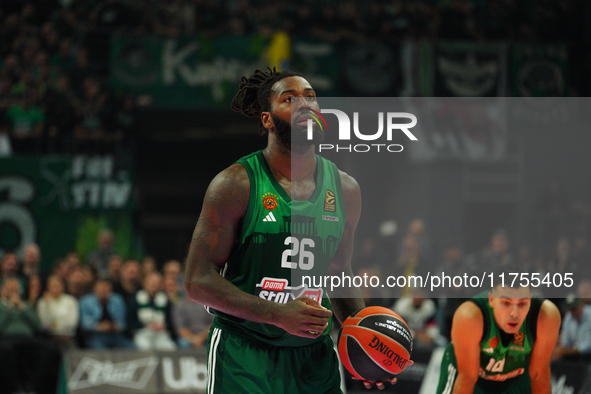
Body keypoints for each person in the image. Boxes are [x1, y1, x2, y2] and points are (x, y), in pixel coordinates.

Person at [184, 68, 398, 393]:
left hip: (313, 356)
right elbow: (197, 281)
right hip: (245, 352)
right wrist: (277, 314)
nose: (305, 104)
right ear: (267, 120)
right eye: (290, 98)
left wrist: (367, 345)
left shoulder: (346, 190)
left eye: (311, 97)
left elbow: (338, 273)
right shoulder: (234, 185)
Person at [436, 267, 561, 394]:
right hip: (471, 373)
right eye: (506, 303)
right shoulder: (471, 316)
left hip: (516, 375)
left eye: (522, 304)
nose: (514, 313)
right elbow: (467, 378)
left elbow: (538, 375)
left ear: (529, 300)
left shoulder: (545, 316)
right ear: (491, 300)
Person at [79, 278, 134, 349]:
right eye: (101, 287)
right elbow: (84, 324)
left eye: (106, 287)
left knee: (132, 348)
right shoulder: (85, 302)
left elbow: (123, 322)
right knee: (101, 351)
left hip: (115, 335)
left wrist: (114, 326)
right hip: (95, 335)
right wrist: (99, 327)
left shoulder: (117, 300)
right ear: (95, 289)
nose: (104, 290)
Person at [37, 274, 79, 351]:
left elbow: (73, 323)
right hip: (49, 336)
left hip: (67, 335)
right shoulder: (43, 302)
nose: (55, 288)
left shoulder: (71, 301)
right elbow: (44, 323)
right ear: (48, 287)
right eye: (52, 286)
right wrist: (47, 306)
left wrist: (56, 325)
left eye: (57, 285)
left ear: (62, 286)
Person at [551, 295, 591, 362]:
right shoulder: (569, 316)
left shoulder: (589, 315)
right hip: (575, 353)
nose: (573, 311)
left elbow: (588, 345)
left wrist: (568, 350)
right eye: (571, 308)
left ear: (582, 305)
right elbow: (565, 341)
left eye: (575, 308)